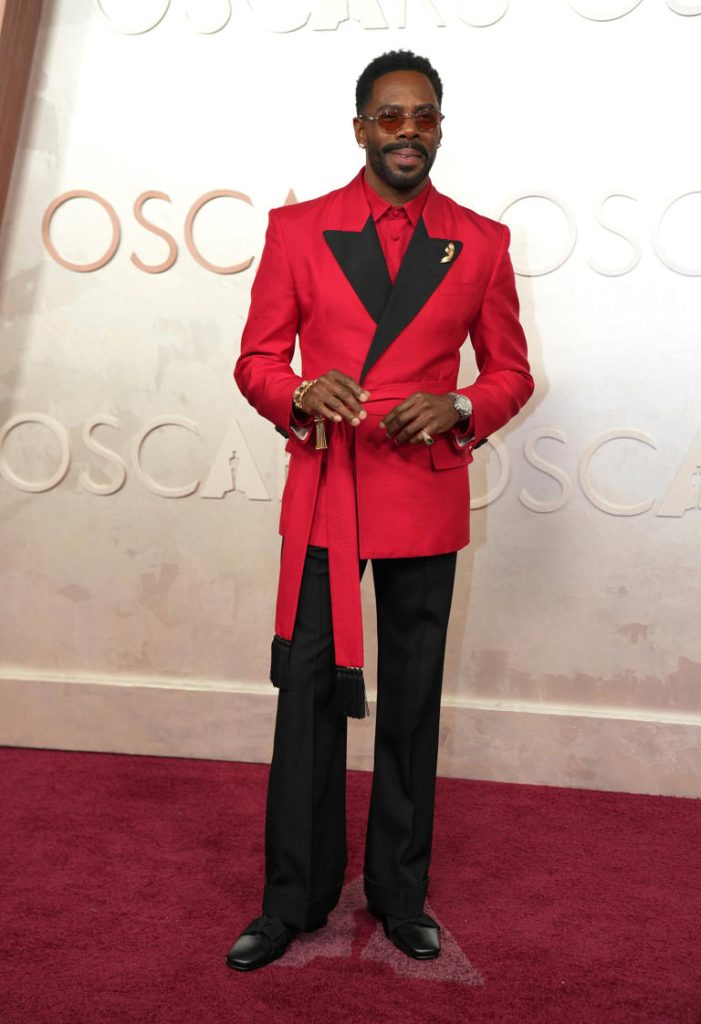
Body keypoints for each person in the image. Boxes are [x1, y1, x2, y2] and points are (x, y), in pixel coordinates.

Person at [227, 49, 534, 971]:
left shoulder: (481, 241)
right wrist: (296, 392)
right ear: (360, 127)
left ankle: (400, 894)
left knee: (411, 697)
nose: (408, 131)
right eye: (391, 116)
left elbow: (511, 371)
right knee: (306, 694)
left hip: (421, 489)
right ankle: (292, 900)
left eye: (423, 116)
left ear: (440, 127)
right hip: (329, 485)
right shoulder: (297, 230)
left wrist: (461, 405)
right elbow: (256, 359)